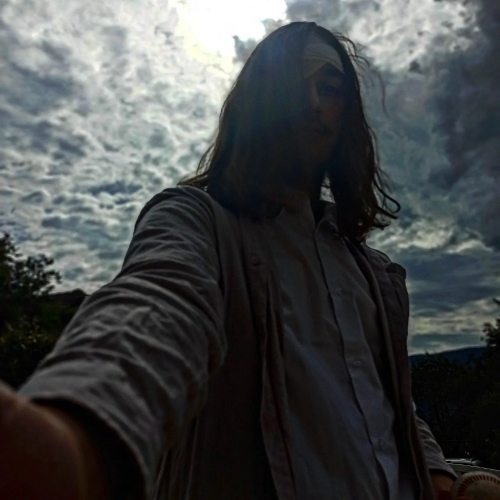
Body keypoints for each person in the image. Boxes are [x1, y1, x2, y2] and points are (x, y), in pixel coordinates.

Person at [0, 21, 458, 500]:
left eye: (330, 88)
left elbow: (384, 396)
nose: (313, 103)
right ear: (261, 102)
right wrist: (80, 433)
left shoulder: (372, 270)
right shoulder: (197, 221)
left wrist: (437, 471)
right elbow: (159, 304)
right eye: (294, 85)